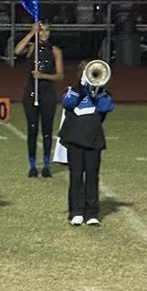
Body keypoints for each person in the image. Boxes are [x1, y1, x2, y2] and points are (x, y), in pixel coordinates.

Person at [59, 65, 114, 226]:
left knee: (92, 176)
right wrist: (80, 87)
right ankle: (76, 211)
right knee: (76, 176)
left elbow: (106, 107)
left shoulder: (103, 93)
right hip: (75, 139)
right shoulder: (72, 90)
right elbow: (67, 103)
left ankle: (91, 212)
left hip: (94, 139)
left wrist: (97, 90)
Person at [14, 22, 63, 178]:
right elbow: (17, 50)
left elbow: (60, 75)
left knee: (47, 130)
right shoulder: (32, 48)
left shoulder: (55, 50)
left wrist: (43, 76)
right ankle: (33, 165)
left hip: (47, 94)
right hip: (31, 93)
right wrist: (31, 33)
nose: (44, 33)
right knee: (32, 129)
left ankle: (47, 165)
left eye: (46, 30)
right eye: (41, 31)